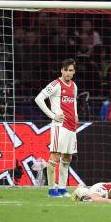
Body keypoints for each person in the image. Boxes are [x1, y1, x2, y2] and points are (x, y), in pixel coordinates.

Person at [34, 59, 79, 197]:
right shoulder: (56, 84)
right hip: (60, 126)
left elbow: (74, 102)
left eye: (70, 70)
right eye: (65, 70)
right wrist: (52, 115)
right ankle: (51, 190)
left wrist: (76, 115)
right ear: (61, 70)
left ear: (74, 72)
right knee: (55, 157)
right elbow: (39, 98)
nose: (68, 73)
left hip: (72, 127)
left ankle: (62, 188)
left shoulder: (74, 86)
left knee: (67, 158)